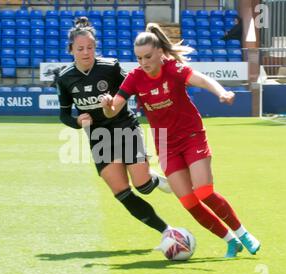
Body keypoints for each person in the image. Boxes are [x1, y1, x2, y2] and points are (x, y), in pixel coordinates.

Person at [101, 23, 261, 258]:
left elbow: (204, 80)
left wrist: (222, 93)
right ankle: (230, 242)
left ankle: (244, 233)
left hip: (191, 135)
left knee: (204, 191)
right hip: (166, 144)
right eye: (139, 58)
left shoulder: (173, 69)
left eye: (147, 56)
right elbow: (113, 110)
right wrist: (107, 107)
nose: (143, 62)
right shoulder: (135, 78)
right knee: (188, 201)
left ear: (158, 53)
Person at [56, 17, 174, 237]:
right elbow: (63, 115)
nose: (86, 52)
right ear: (71, 49)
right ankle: (167, 232)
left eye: (90, 47)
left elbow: (136, 86)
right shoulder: (64, 78)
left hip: (123, 126)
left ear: (95, 47)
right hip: (98, 136)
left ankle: (153, 179)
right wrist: (77, 122)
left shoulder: (110, 68)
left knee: (144, 187)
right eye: (80, 48)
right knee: (121, 192)